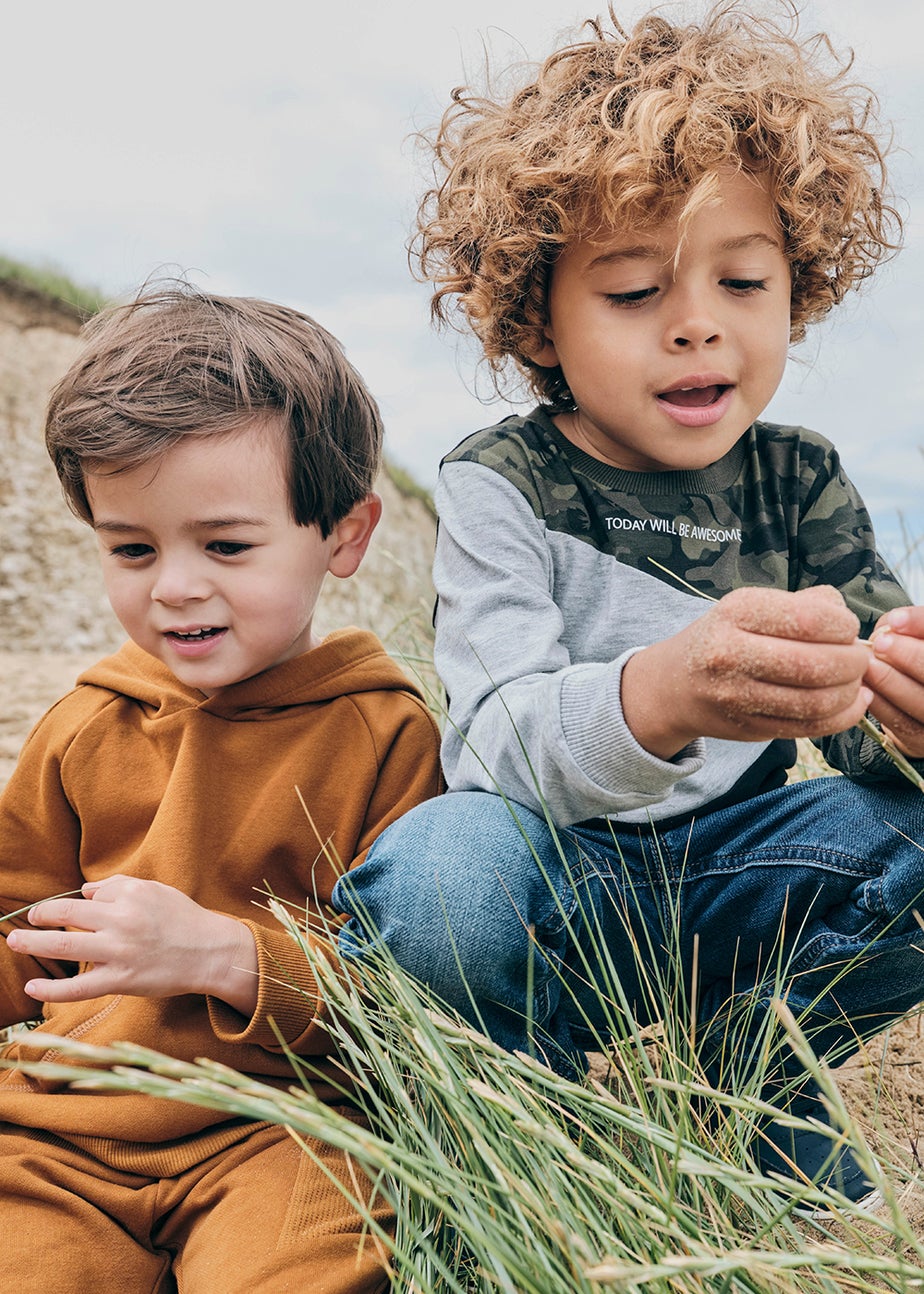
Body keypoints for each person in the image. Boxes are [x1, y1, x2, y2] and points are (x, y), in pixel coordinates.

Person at [333, 4, 924, 1206]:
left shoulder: (799, 477)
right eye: (636, 287)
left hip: (739, 882)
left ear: (796, 286)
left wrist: (906, 716)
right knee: (438, 881)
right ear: (535, 312)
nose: (698, 318)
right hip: (555, 876)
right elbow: (493, 738)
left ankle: (751, 1063)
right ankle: (529, 1117)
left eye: (743, 278)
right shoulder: (503, 480)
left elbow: (863, 731)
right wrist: (659, 693)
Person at [0, 282, 442, 1292]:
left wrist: (224, 955)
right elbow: (14, 925)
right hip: (63, 1135)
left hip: (288, 1133)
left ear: (345, 535)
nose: (175, 586)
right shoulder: (87, 721)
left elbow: (407, 1002)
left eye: (227, 546)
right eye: (132, 548)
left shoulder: (384, 731)